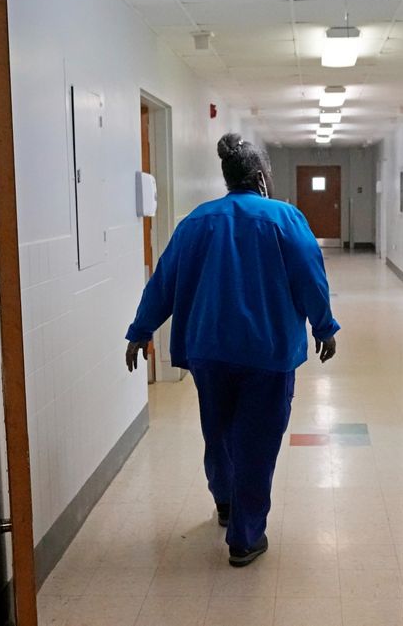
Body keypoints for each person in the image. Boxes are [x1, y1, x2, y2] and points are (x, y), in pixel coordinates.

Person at [124, 133, 340, 567]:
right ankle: (244, 537)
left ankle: (225, 502)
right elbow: (309, 276)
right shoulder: (285, 218)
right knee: (256, 443)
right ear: (261, 177)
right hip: (268, 353)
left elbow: (164, 280)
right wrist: (324, 325)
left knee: (219, 430)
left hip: (209, 350)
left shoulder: (197, 221)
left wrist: (141, 329)